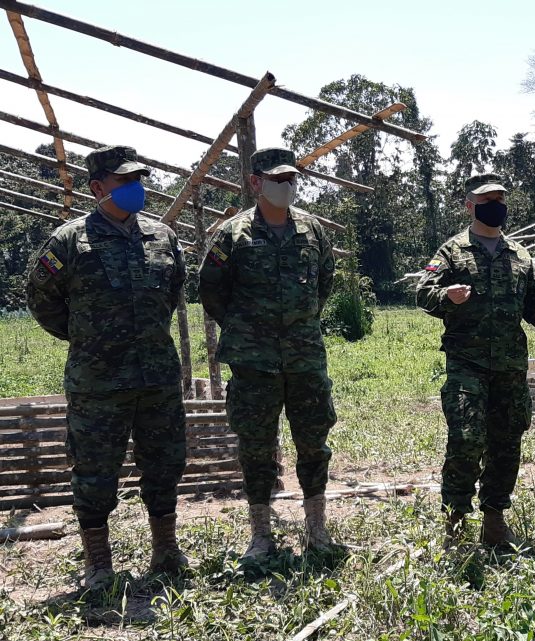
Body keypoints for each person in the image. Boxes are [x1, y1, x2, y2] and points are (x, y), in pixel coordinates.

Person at [26, 145, 188, 587]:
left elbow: (172, 292)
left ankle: (166, 551)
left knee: (165, 463)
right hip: (97, 382)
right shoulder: (69, 241)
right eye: (124, 180)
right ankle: (99, 562)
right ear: (98, 187)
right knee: (95, 472)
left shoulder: (162, 236)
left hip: (156, 377)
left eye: (139, 179)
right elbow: (41, 299)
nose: (135, 187)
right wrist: (87, 339)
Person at [198, 147, 338, 560]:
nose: (287, 186)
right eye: (277, 179)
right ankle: (261, 534)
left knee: (314, 441)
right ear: (256, 183)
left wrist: (299, 322)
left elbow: (323, 283)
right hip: (253, 362)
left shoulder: (312, 231)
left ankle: (317, 528)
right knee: (256, 445)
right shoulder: (232, 235)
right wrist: (247, 329)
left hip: (305, 358)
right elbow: (211, 290)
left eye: (291, 178)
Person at [416, 173, 535, 548]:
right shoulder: (452, 251)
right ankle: (456, 521)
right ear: (469, 205)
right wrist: (448, 295)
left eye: (499, 198)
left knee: (507, 441)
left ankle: (494, 521)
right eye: (487, 199)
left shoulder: (520, 255)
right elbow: (423, 292)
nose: (495, 205)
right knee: (466, 439)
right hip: (467, 363)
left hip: (510, 367)